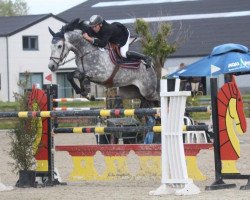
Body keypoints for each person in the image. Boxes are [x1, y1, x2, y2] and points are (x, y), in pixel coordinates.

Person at [82, 15, 152, 69]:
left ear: (100, 24)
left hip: (123, 36)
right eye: (92, 27)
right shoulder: (96, 27)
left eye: (95, 27)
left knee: (123, 54)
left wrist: (89, 38)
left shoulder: (107, 29)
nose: (93, 29)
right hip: (114, 31)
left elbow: (103, 44)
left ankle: (146, 58)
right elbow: (85, 29)